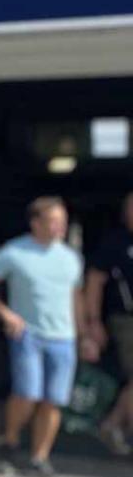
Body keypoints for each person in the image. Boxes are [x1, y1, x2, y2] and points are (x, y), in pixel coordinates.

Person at [0, 196, 84, 477]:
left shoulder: (71, 257)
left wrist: (85, 332)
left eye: (63, 221)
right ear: (36, 223)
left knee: (53, 400)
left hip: (63, 337)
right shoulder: (16, 251)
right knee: (27, 393)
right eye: (54, 221)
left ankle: (39, 457)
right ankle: (10, 441)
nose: (61, 227)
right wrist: (5, 314)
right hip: (29, 335)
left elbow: (75, 298)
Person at [84, 191, 133, 454]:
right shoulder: (116, 243)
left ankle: (112, 424)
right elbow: (94, 282)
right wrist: (93, 322)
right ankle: (116, 425)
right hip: (126, 319)